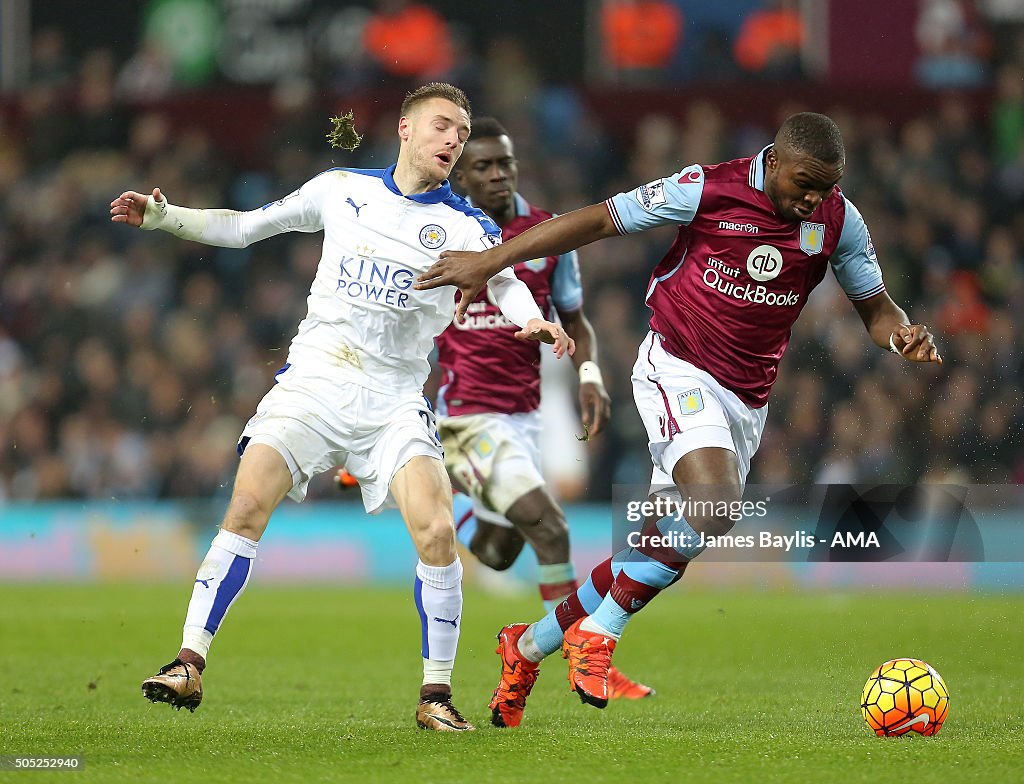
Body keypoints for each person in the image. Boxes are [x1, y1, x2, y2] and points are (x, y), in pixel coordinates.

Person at [415, 112, 942, 725]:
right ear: (772, 161)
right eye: (804, 183)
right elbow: (593, 221)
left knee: (659, 546)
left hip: (747, 399)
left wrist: (900, 335)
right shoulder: (707, 187)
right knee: (716, 506)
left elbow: (875, 308)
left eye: (825, 187)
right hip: (677, 364)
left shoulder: (838, 222)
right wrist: (491, 261)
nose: (812, 198)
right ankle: (600, 634)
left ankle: (527, 647)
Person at [109, 82, 573, 733]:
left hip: (392, 404)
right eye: (444, 126)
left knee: (438, 533)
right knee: (245, 505)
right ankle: (188, 662)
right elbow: (245, 228)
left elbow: (506, 279)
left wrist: (531, 322)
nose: (454, 141)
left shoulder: (470, 225)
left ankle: (435, 696)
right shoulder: (340, 189)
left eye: (463, 135)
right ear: (407, 129)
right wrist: (165, 218)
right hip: (314, 387)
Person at [436, 117, 654, 722]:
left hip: (526, 414)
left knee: (503, 549)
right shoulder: (435, 230)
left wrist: (590, 376)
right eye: (483, 166)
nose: (499, 174)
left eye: (505, 163)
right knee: (551, 528)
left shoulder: (546, 234)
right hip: (465, 418)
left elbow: (576, 318)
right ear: (460, 173)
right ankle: (575, 660)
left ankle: (446, 507)